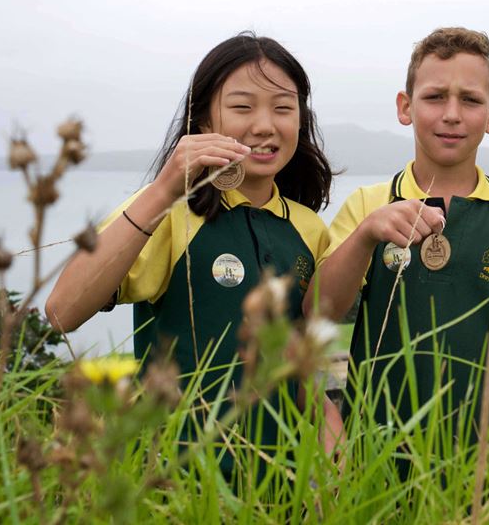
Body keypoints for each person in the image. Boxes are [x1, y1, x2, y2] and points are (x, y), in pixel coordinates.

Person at [45, 32, 344, 474]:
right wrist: (165, 188)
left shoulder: (310, 230)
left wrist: (328, 428)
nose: (264, 124)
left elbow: (298, 362)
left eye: (283, 108)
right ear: (203, 121)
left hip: (279, 485)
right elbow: (61, 312)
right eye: (242, 107)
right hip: (170, 482)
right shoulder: (167, 212)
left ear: (300, 120)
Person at [310, 27, 489, 463]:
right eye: (434, 97)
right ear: (405, 107)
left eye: (469, 100)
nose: (452, 114)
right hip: (372, 458)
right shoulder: (368, 205)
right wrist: (367, 234)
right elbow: (319, 311)